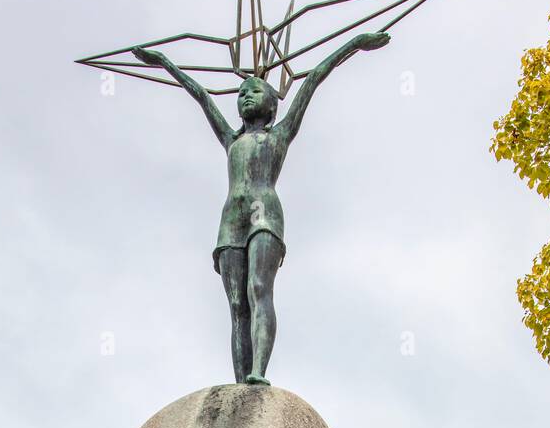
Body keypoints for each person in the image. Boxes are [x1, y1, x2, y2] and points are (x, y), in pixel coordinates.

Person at [131, 31, 390, 384]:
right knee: (237, 307)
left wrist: (358, 43)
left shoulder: (279, 136)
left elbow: (313, 79)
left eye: (254, 92)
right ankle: (242, 384)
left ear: (272, 103)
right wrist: (164, 63)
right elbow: (201, 96)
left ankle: (258, 372)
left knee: (258, 289)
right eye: (241, 93)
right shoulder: (231, 138)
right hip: (231, 221)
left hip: (264, 213)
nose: (245, 97)